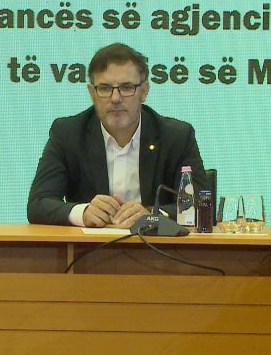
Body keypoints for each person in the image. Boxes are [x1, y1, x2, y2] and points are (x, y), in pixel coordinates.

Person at [27, 43, 206, 228]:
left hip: (157, 245)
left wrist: (153, 215)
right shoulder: (68, 133)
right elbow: (38, 204)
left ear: (144, 91)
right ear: (92, 93)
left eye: (126, 87)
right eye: (105, 88)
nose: (115, 98)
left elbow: (202, 205)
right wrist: (83, 212)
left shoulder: (176, 136)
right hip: (89, 245)